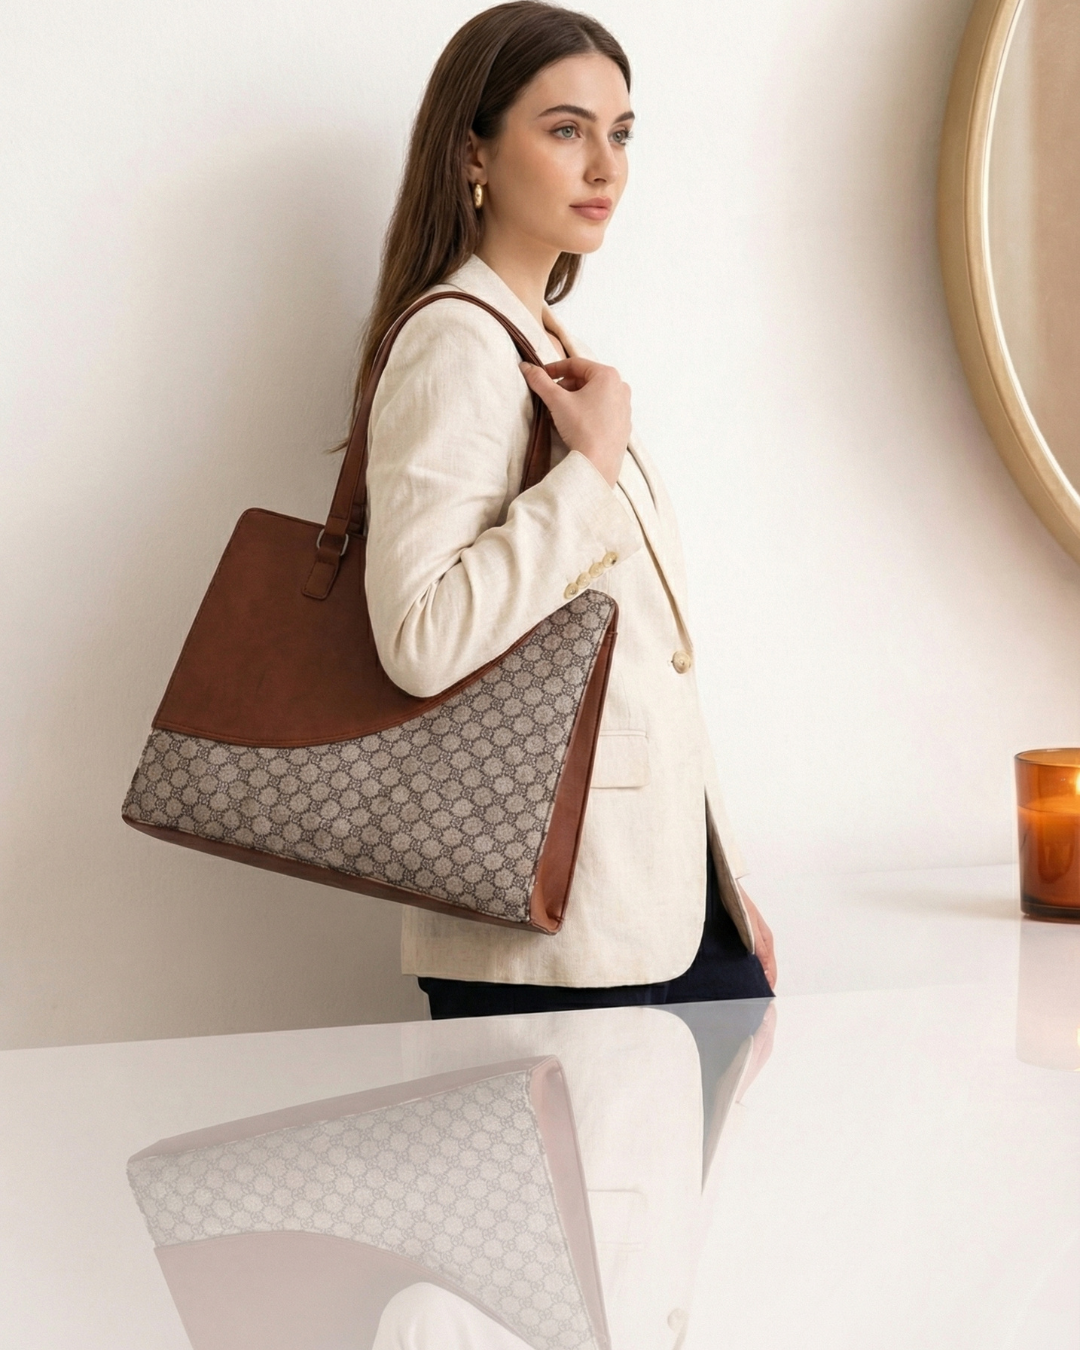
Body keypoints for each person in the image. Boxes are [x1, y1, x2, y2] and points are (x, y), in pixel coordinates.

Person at [348, 1, 776, 1018]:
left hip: (648, 910)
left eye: (620, 133)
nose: (606, 167)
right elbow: (419, 637)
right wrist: (586, 474)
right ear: (474, 154)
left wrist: (720, 886)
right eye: (566, 128)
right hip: (554, 935)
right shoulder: (457, 343)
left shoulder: (539, 343)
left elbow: (637, 660)